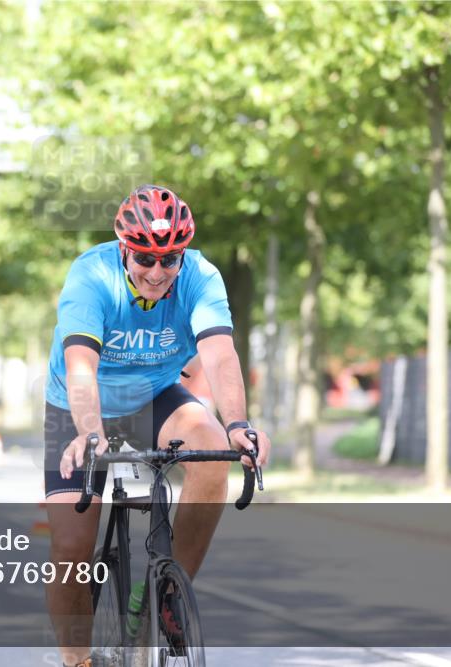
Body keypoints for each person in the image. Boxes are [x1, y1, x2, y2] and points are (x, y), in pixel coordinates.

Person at [43, 184, 271, 667]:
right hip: (80, 406)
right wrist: (89, 432)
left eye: (170, 260)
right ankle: (77, 660)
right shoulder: (92, 275)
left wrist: (238, 425)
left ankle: (167, 595)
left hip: (154, 396)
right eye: (145, 258)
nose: (157, 271)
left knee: (211, 449)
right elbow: (81, 366)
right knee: (70, 546)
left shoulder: (200, 277)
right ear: (124, 249)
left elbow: (220, 355)